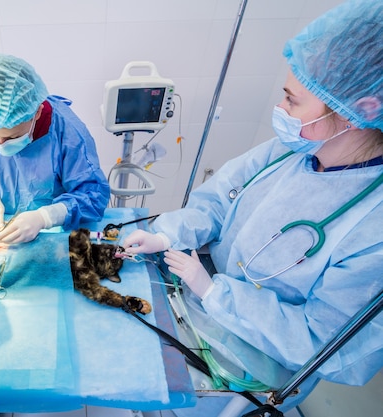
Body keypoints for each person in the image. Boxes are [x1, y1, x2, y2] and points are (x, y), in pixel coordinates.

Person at [123, 0, 382, 414]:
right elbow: (216, 203)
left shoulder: (373, 227)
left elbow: (326, 345)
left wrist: (215, 292)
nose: (280, 111)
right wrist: (167, 234)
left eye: (292, 101)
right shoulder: (287, 150)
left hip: (257, 363)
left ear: (363, 110)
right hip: (200, 308)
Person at [0, 53, 110, 244]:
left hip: (50, 231)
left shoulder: (68, 133)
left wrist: (44, 218)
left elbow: (92, 195)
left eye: (12, 137)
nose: (1, 145)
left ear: (37, 112)